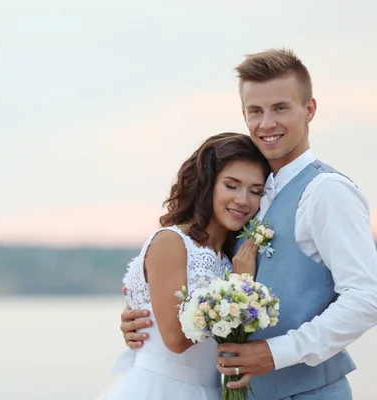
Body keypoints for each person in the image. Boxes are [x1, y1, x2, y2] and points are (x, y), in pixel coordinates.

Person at [119, 49, 377, 399]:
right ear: (244, 114)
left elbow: (367, 297)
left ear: (310, 110)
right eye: (256, 111)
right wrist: (147, 322)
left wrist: (275, 353)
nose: (266, 123)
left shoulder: (326, 191)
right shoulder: (251, 199)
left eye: (281, 108)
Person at [96, 132, 270, 400]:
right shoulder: (172, 242)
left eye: (255, 191)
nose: (243, 200)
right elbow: (175, 341)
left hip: (210, 390)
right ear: (207, 184)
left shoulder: (231, 257)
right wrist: (239, 285)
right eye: (231, 186)